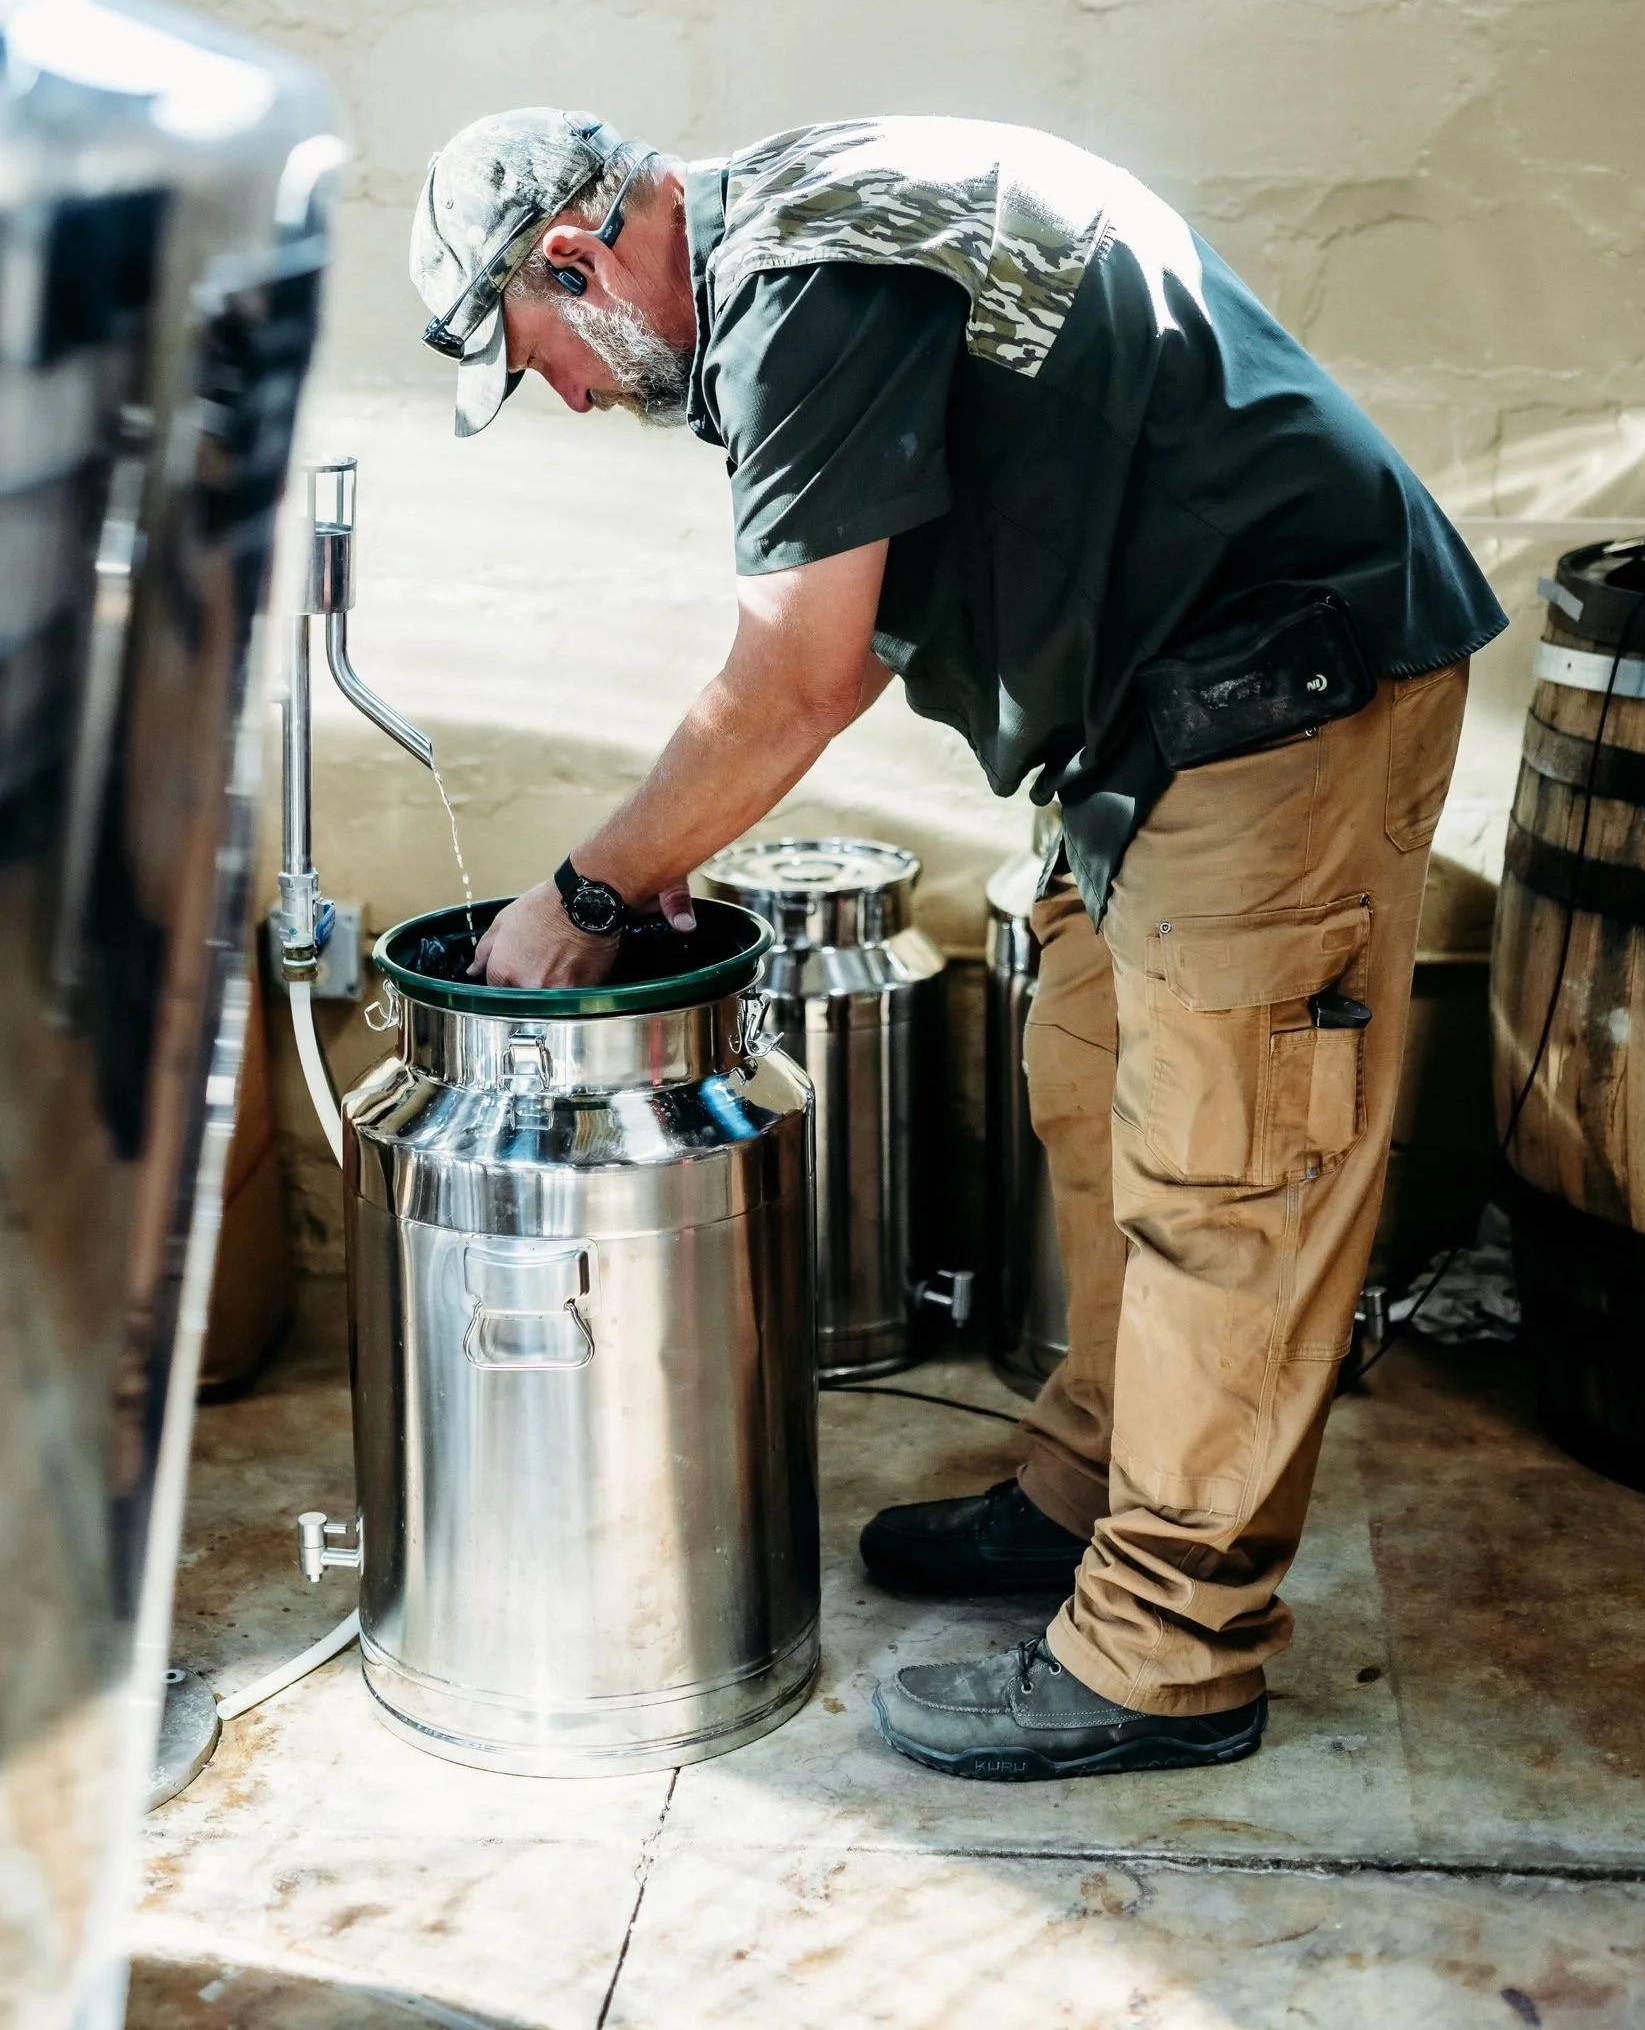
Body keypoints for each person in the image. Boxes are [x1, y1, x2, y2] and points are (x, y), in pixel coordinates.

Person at [410, 108, 1506, 1784]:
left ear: (573, 261)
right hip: (1149, 719)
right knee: (1086, 1085)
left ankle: (1166, 1654)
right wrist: (664, 854)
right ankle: (1086, 1489)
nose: (562, 392)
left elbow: (792, 679)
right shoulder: (794, 244)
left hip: (1281, 697)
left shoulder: (806, 281)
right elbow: (843, 635)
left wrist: (593, 891)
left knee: (1232, 1180)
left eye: (532, 352)